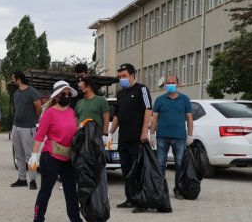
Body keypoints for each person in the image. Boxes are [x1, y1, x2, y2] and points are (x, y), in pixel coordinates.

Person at [29, 82, 96, 222]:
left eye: (68, 94)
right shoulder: (49, 113)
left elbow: (72, 132)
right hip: (50, 156)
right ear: (56, 96)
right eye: (63, 94)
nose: (67, 96)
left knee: (71, 191)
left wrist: (82, 126)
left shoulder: (71, 112)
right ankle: (38, 220)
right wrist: (34, 155)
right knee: (46, 190)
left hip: (67, 157)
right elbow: (40, 135)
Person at [106, 63, 162, 213]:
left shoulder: (141, 89)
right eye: (120, 77)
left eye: (124, 76)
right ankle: (130, 198)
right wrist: (110, 133)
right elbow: (117, 116)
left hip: (137, 139)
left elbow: (148, 110)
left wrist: (145, 132)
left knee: (138, 171)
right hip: (124, 139)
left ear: (132, 76)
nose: (122, 79)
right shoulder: (121, 93)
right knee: (126, 170)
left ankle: (142, 201)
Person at [150, 75, 194, 201]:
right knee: (160, 164)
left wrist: (190, 135)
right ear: (165, 85)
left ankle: (178, 189)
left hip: (180, 137)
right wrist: (152, 134)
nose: (170, 85)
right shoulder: (160, 100)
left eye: (172, 83)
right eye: (168, 83)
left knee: (179, 164)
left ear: (178, 84)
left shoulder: (185, 99)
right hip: (162, 137)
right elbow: (155, 118)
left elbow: (190, 118)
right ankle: (160, 189)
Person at [74, 77, 110, 187]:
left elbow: (106, 118)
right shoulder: (79, 103)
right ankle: (83, 189)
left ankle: (102, 191)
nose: (79, 85)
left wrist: (104, 135)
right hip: (82, 139)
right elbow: (75, 121)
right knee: (82, 164)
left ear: (88, 86)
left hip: (96, 139)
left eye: (81, 83)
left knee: (99, 164)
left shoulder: (100, 101)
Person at [10, 71, 42, 190]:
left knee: (30, 155)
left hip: (28, 127)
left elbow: (38, 107)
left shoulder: (32, 91)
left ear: (18, 79)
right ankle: (22, 179)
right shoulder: (16, 93)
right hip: (16, 126)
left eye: (13, 79)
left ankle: (32, 180)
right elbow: (17, 108)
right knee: (19, 155)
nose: (12, 81)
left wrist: (35, 119)